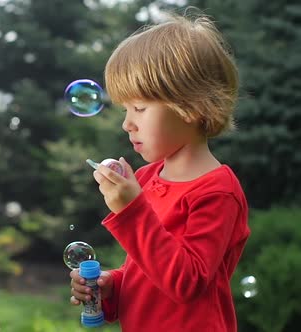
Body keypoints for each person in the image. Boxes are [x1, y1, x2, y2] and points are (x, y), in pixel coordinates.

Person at [70, 11, 250, 332]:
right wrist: (113, 284)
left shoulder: (217, 190)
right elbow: (149, 271)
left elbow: (186, 282)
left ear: (192, 107)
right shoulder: (147, 178)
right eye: (126, 110)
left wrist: (131, 210)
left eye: (139, 108)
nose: (127, 123)